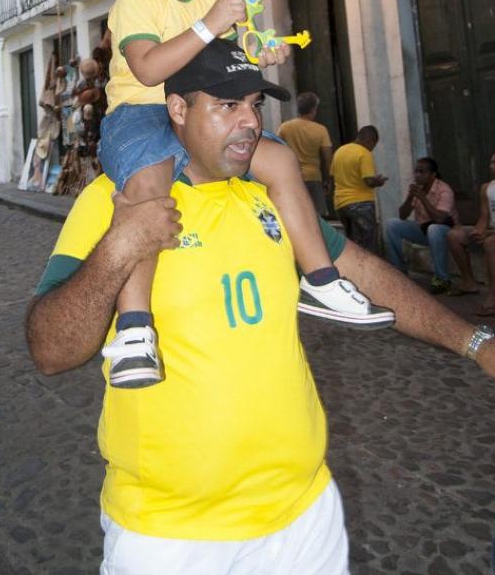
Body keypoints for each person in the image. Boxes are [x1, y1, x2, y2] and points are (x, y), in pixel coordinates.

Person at [26, 39, 495, 575]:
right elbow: (51, 351)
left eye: (254, 104)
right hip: (169, 533)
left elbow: (364, 274)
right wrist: (119, 247)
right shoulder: (116, 200)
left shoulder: (270, 196)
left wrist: (475, 343)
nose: (249, 122)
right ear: (177, 109)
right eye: (227, 105)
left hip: (304, 515)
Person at [98, 0, 385, 388]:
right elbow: (147, 69)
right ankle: (135, 328)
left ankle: (320, 279)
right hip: (142, 112)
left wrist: (259, 55)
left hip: (203, 113)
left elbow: (225, 62)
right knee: (147, 186)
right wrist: (208, 26)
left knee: (279, 160)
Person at [385, 157, 459, 294]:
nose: (417, 175)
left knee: (434, 228)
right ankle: (399, 271)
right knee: (392, 224)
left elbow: (440, 218)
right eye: (416, 171)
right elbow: (403, 215)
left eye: (422, 172)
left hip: (446, 232)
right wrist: (409, 198)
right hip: (424, 230)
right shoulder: (418, 189)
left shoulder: (444, 190)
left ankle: (442, 279)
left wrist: (423, 198)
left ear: (433, 175)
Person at [447, 152, 495, 313]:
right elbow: (484, 217)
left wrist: (488, 234)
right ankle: (469, 282)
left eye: (494, 163)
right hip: (490, 230)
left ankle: (492, 297)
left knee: (490, 244)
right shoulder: (486, 188)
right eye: (491, 162)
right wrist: (478, 231)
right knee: (455, 236)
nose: (491, 166)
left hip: (492, 235)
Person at [330, 126, 388, 252]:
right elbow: (369, 181)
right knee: (367, 246)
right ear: (370, 140)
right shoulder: (364, 153)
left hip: (341, 204)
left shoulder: (340, 151)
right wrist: (378, 181)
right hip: (361, 204)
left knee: (352, 245)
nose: (372, 149)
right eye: (374, 145)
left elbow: (332, 176)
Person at [278, 92, 333, 215]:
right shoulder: (320, 130)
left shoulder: (285, 128)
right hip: (313, 177)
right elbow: (327, 158)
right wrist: (328, 179)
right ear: (313, 109)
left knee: (296, 213)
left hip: (292, 176)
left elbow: (277, 150)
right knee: (317, 215)